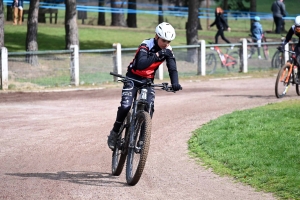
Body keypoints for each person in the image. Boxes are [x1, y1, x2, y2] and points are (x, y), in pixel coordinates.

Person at [107, 22, 182, 150]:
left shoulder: (168, 50)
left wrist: (175, 83)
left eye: (169, 41)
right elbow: (141, 64)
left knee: (149, 106)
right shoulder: (146, 44)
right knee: (125, 106)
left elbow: (172, 68)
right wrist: (158, 55)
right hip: (132, 77)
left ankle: (142, 139)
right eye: (164, 40)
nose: (166, 44)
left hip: (147, 81)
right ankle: (114, 132)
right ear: (157, 37)